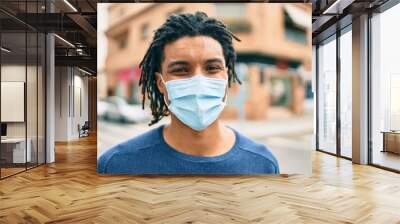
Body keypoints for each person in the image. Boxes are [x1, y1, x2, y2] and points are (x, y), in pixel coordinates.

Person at [97, 11, 279, 174]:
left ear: (227, 77)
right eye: (181, 70)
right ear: (161, 83)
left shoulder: (264, 164)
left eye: (212, 68)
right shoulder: (115, 165)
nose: (199, 80)